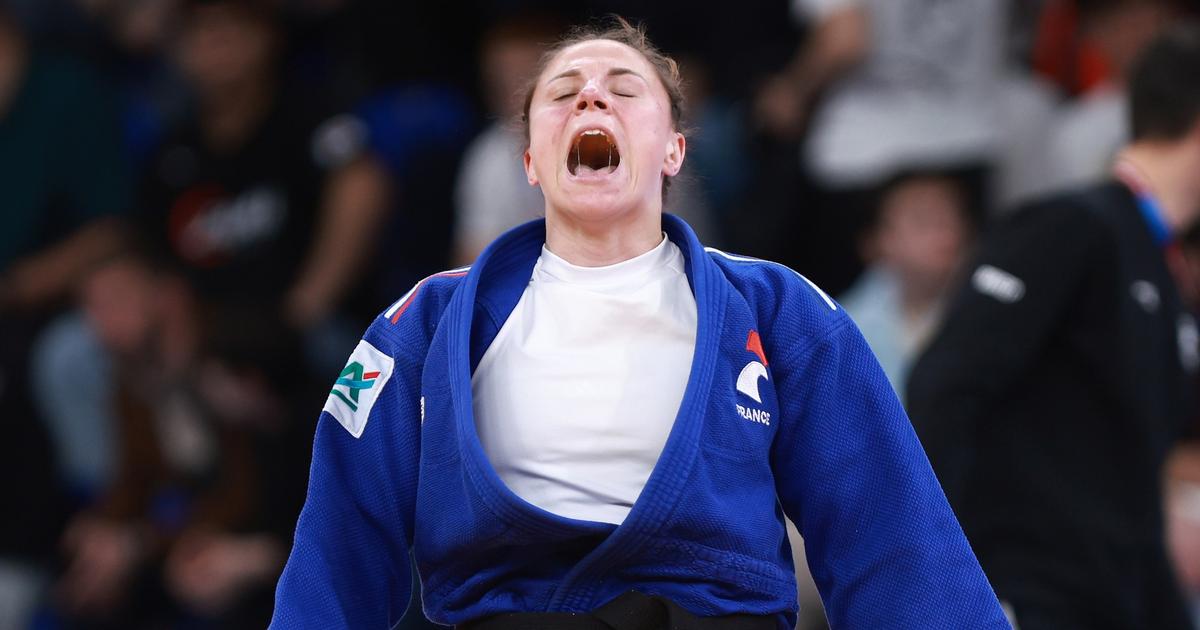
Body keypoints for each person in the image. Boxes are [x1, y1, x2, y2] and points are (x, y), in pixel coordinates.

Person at [272, 18, 1009, 629]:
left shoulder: (779, 307)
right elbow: (341, 539)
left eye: (624, 90)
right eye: (563, 94)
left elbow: (890, 530)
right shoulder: (425, 321)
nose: (592, 97)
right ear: (530, 160)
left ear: (673, 150)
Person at [906, 25, 1200, 630]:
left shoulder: (1163, 267)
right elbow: (945, 384)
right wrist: (947, 580)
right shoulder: (1072, 227)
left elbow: (1134, 477)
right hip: (1026, 593)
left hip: (1113, 598)